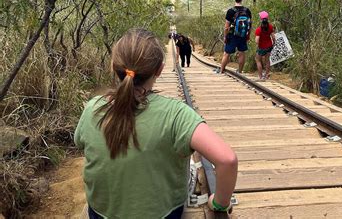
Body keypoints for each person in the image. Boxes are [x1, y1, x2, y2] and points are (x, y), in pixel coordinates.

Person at [74, 29, 237, 219]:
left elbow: (81, 145)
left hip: (101, 213)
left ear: (113, 66)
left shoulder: (92, 108)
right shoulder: (177, 114)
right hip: (163, 215)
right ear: (159, 70)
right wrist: (218, 203)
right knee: (190, 166)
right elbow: (227, 160)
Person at [215, 0, 252, 74]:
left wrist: (225, 36)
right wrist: (248, 35)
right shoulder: (247, 10)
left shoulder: (231, 11)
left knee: (226, 53)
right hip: (243, 35)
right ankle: (240, 71)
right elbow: (250, 24)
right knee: (241, 53)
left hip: (232, 35)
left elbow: (226, 27)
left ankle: (221, 70)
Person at [255, 11, 275, 80]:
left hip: (261, 47)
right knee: (267, 60)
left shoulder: (258, 30)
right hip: (269, 46)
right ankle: (266, 75)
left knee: (258, 60)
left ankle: (260, 76)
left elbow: (257, 40)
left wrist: (257, 46)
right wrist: (274, 43)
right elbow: (273, 37)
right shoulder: (270, 27)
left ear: (261, 19)